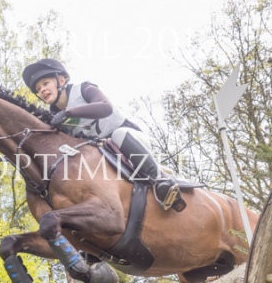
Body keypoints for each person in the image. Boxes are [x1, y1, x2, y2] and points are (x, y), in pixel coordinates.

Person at [22, 59, 183, 211]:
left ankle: (161, 180)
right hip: (103, 155)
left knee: (118, 135)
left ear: (61, 80)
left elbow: (106, 107)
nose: (42, 90)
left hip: (129, 139)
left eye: (45, 83)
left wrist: (69, 113)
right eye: (38, 89)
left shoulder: (83, 89)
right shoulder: (54, 119)